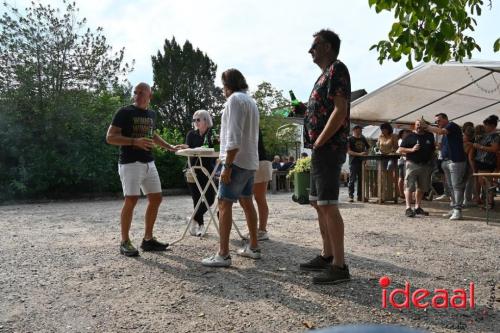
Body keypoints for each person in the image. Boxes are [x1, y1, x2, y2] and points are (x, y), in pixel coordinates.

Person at [299, 29, 351, 284]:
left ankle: (340, 266)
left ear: (328, 47)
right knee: (317, 202)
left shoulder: (337, 69)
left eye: (315, 45)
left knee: (328, 204)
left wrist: (320, 140)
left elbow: (340, 110)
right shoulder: (324, 75)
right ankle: (328, 255)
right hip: (320, 149)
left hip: (328, 148)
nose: (310, 50)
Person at [106, 82, 177, 256]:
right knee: (131, 199)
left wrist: (170, 147)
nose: (137, 95)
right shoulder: (124, 112)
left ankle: (148, 239)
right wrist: (133, 141)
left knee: (156, 198)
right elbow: (110, 137)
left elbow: (152, 134)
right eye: (135, 92)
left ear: (149, 96)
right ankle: (124, 241)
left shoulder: (152, 114)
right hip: (130, 163)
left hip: (149, 162)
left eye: (141, 93)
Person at [201, 68, 260, 267]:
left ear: (228, 85)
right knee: (247, 202)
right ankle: (253, 246)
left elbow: (234, 136)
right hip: (250, 160)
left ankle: (223, 254)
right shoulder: (250, 101)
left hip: (236, 161)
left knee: (224, 203)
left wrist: (226, 166)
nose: (222, 89)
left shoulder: (234, 100)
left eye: (223, 85)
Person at [176, 110, 217, 236]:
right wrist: (184, 147)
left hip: (208, 169)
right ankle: (200, 226)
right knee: (197, 199)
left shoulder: (212, 133)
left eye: (198, 119)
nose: (195, 122)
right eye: (194, 120)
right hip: (193, 169)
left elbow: (217, 147)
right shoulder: (191, 134)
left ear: (206, 120)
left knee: (210, 198)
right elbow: (188, 147)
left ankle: (193, 218)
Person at [424, 113, 466, 220]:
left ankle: (458, 210)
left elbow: (440, 131)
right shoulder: (445, 131)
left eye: (439, 121)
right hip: (447, 161)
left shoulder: (451, 125)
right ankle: (454, 208)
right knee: (451, 186)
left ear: (446, 119)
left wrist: (427, 126)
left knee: (456, 186)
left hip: (455, 161)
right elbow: (443, 145)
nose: (437, 123)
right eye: (436, 121)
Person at [397, 119, 435, 217]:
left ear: (424, 126)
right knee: (409, 186)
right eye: (417, 124)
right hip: (412, 164)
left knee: (421, 187)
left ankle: (418, 207)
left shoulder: (429, 136)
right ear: (415, 125)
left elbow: (432, 150)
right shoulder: (410, 136)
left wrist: (432, 163)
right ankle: (408, 208)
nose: (418, 126)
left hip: (425, 165)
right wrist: (412, 149)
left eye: (420, 125)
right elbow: (400, 149)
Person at [243, 129, 272, 241]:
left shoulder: (249, 121)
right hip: (254, 162)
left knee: (259, 198)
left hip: (260, 162)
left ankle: (262, 230)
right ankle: (255, 229)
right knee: (247, 198)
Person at [473, 115, 499, 208]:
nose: (485, 127)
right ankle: (488, 201)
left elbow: (494, 148)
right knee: (483, 182)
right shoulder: (487, 135)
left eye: (486, 125)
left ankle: (490, 202)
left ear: (492, 126)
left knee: (486, 182)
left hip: (487, 162)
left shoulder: (494, 136)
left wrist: (480, 147)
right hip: (482, 162)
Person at [347, 125, 369, 202]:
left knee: (361, 180)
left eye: (361, 130)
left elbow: (368, 148)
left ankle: (360, 196)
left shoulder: (363, 138)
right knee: (352, 179)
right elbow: (348, 151)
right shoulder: (350, 139)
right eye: (359, 129)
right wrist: (360, 154)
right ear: (354, 130)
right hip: (353, 162)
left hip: (362, 161)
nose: (361, 131)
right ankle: (351, 196)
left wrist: (366, 157)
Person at [397, 129, 411, 199]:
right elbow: (400, 151)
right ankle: (401, 194)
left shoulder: (405, 140)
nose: (407, 134)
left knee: (402, 178)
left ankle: (402, 193)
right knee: (402, 178)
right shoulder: (401, 141)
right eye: (406, 132)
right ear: (402, 134)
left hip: (403, 161)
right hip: (402, 161)